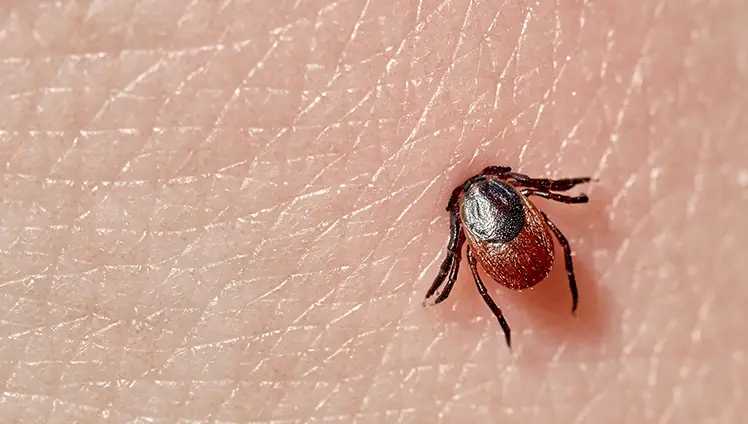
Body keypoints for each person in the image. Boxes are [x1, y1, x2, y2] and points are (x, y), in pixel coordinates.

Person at [1, 1, 745, 422]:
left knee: (526, 272)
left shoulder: (485, 227)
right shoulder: (509, 209)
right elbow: (528, 206)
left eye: (515, 193)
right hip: (517, 256)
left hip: (508, 259)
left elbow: (493, 240)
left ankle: (522, 307)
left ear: (514, 198)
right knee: (548, 260)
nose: (511, 195)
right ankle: (522, 308)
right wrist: (537, 210)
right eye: (513, 193)